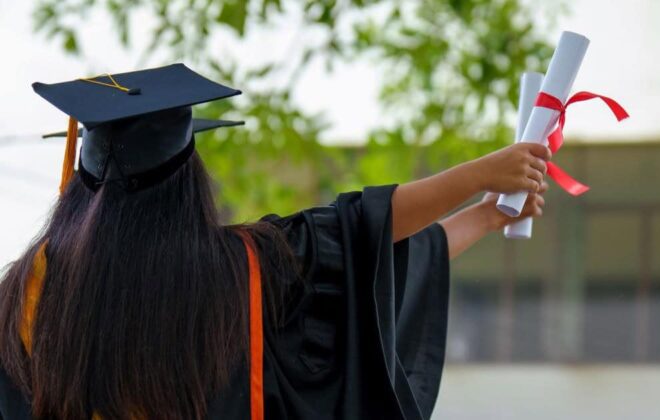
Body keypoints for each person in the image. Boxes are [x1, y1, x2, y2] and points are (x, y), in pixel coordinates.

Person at [0, 64, 550, 420]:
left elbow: (366, 247)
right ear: (186, 183)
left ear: (80, 183)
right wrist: (483, 191)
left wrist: (483, 208)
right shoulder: (242, 268)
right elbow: (363, 244)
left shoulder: (22, 294)